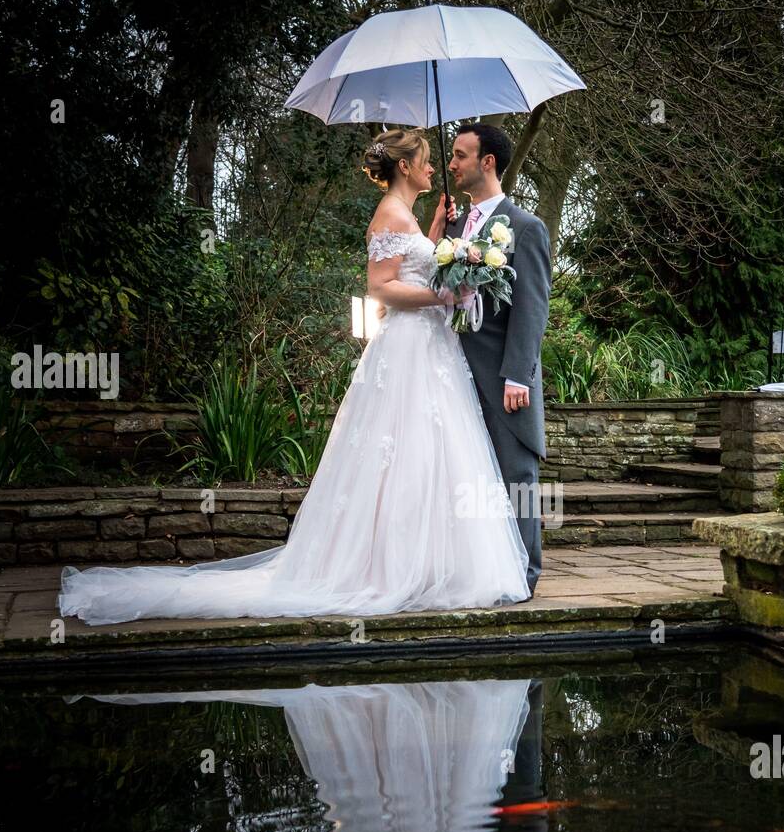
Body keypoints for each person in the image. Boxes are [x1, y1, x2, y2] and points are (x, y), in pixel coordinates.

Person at [56, 128, 531, 625]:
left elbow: (415, 270)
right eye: (429, 160)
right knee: (402, 452)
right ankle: (386, 569)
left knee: (427, 453)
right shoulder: (389, 214)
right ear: (406, 167)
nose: (436, 168)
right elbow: (383, 289)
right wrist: (445, 297)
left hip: (428, 346)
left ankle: (427, 564)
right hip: (410, 347)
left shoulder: (408, 215)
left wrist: (435, 231)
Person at [447, 124, 551, 596]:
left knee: (517, 474)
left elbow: (532, 307)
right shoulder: (452, 227)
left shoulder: (525, 228)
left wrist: (518, 376)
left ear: (487, 162)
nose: (452, 164)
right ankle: (477, 569)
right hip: (453, 371)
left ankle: (525, 574)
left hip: (504, 375)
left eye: (461, 155)